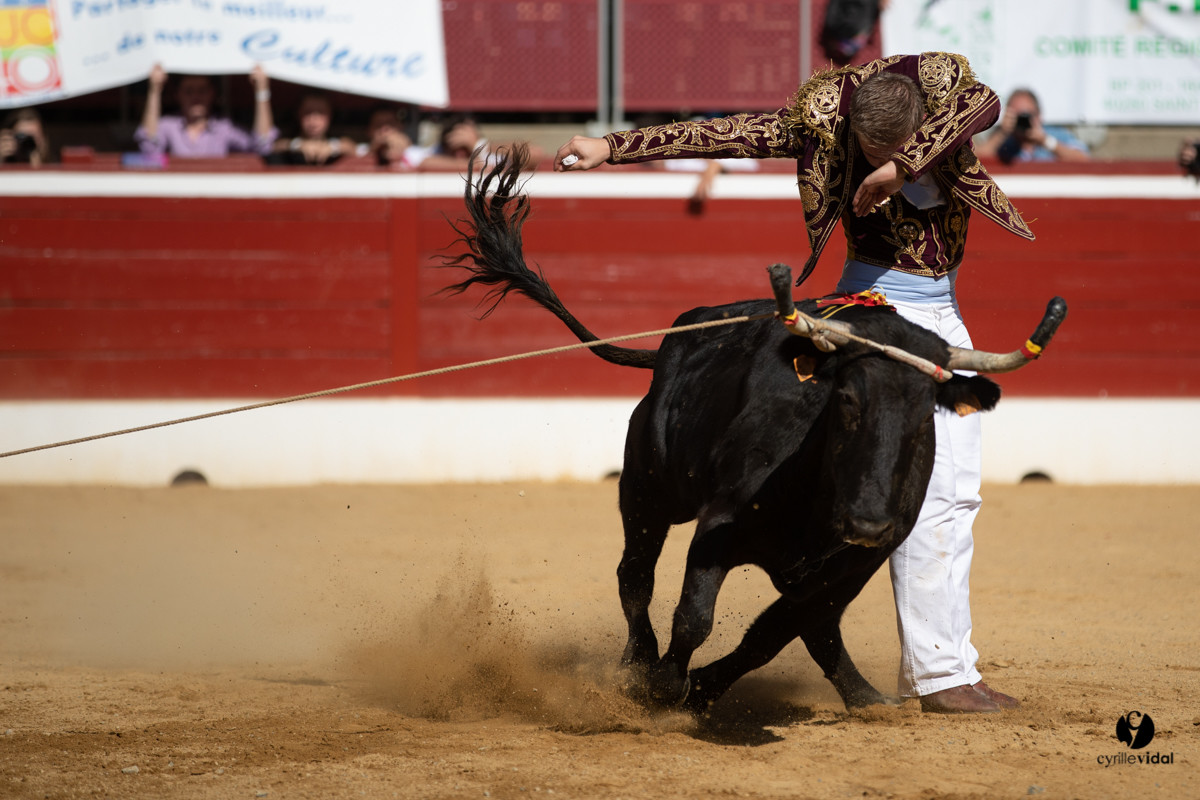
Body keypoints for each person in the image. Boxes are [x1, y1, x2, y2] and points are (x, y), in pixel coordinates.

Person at [556, 52, 1032, 714]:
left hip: (932, 306)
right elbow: (724, 134)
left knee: (946, 497)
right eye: (868, 151)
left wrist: (899, 166)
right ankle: (940, 674)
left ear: (922, 124)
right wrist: (609, 146)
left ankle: (919, 662)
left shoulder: (948, 95)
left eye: (890, 150)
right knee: (941, 496)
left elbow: (984, 104)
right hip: (879, 307)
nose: (875, 161)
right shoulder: (824, 121)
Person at [135, 63, 277, 158]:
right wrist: (155, 90)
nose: (196, 97)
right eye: (188, 91)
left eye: (202, 91)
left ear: (212, 94)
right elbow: (149, 149)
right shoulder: (168, 125)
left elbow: (262, 147)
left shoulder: (224, 128)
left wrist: (262, 90)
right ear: (177, 95)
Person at [974, 88, 1090, 164]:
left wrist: (1045, 141)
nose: (1023, 121)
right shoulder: (1003, 142)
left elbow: (1084, 160)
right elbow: (974, 162)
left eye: (1027, 115)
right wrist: (1002, 133)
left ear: (1039, 115)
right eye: (1017, 116)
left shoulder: (1056, 136)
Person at [269, 92, 355, 166]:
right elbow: (272, 146)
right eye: (308, 112)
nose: (313, 119)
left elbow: (351, 147)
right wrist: (297, 145)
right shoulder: (289, 143)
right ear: (298, 113)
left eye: (320, 112)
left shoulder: (335, 142)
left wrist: (332, 147)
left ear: (330, 115)